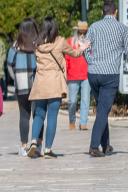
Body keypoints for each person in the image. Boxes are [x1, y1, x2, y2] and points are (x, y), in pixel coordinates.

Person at [27, 18, 91, 158]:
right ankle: (48, 149)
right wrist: (82, 48)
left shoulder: (35, 44)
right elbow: (75, 54)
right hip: (55, 83)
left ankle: (33, 142)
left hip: (40, 83)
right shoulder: (60, 42)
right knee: (51, 117)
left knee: (38, 115)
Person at [85, 0, 128, 157]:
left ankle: (106, 145)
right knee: (103, 110)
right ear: (116, 13)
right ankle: (94, 146)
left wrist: (92, 62)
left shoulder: (94, 27)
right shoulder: (122, 29)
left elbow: (85, 48)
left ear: (102, 13)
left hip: (93, 73)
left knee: (102, 108)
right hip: (110, 74)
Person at [6, 17, 39, 156]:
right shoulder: (39, 45)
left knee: (24, 116)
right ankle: (38, 144)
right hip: (38, 85)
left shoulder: (14, 47)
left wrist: (17, 79)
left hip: (21, 86)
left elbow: (9, 66)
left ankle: (24, 147)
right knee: (38, 115)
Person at [67, 21, 91, 131]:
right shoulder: (70, 43)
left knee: (85, 99)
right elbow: (66, 59)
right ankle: (72, 120)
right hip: (72, 75)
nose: (82, 35)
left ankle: (83, 123)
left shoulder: (90, 43)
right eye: (80, 33)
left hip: (86, 75)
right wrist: (66, 73)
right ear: (77, 32)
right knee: (72, 101)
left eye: (84, 33)